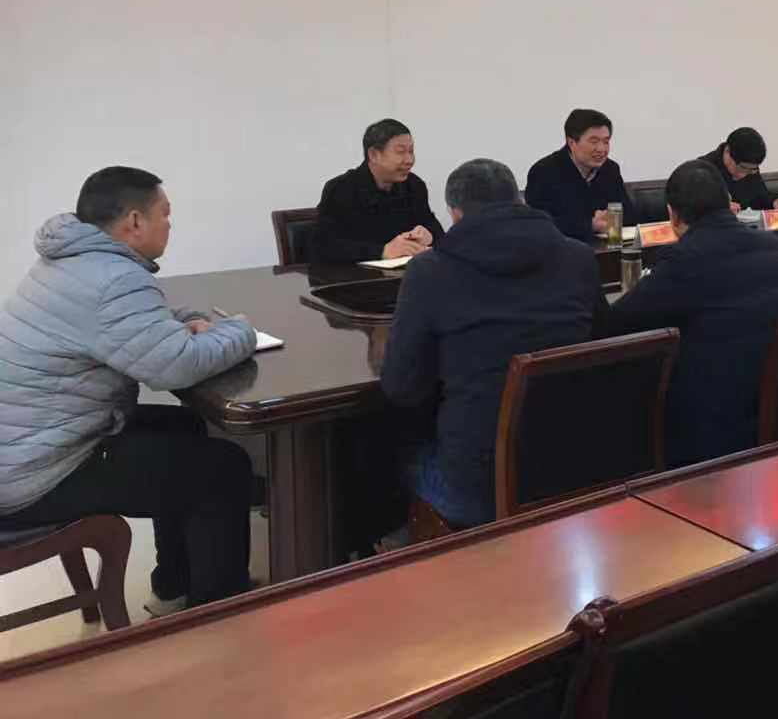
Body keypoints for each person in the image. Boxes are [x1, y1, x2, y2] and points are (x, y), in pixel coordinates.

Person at [0, 167, 257, 612]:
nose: (170, 225)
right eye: (165, 214)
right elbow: (177, 367)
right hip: (37, 472)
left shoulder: (71, 260)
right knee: (224, 470)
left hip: (25, 443)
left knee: (183, 426)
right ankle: (217, 615)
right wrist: (240, 330)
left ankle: (174, 582)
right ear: (135, 222)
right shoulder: (113, 279)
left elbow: (132, 322)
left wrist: (186, 322)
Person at [382, 159, 601, 529]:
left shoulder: (430, 271)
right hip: (574, 467)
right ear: (518, 200)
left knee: (381, 451)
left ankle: (394, 553)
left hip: (477, 488)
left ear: (455, 214)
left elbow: (401, 387)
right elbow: (604, 343)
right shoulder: (578, 258)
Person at [603, 160, 778, 466]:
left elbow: (617, 322)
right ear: (727, 201)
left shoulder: (684, 258)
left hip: (704, 422)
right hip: (769, 405)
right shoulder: (772, 246)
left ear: (673, 215)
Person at [313, 119, 446, 263]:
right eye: (401, 152)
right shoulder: (340, 189)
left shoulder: (414, 185)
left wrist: (429, 235)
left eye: (411, 151)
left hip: (405, 272)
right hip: (355, 275)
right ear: (374, 154)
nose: (409, 160)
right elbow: (323, 247)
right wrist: (382, 251)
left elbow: (435, 229)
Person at [525, 109, 636, 243]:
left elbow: (629, 214)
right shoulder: (543, 172)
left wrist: (612, 218)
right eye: (594, 141)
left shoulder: (610, 169)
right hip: (562, 250)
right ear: (572, 142)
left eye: (606, 141)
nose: (601, 149)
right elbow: (539, 224)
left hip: (607, 249)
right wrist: (590, 225)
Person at [699, 127, 778, 212]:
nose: (744, 175)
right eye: (742, 168)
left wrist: (775, 200)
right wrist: (720, 208)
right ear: (727, 151)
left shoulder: (751, 168)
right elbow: (696, 210)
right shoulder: (701, 171)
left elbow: (760, 196)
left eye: (752, 170)